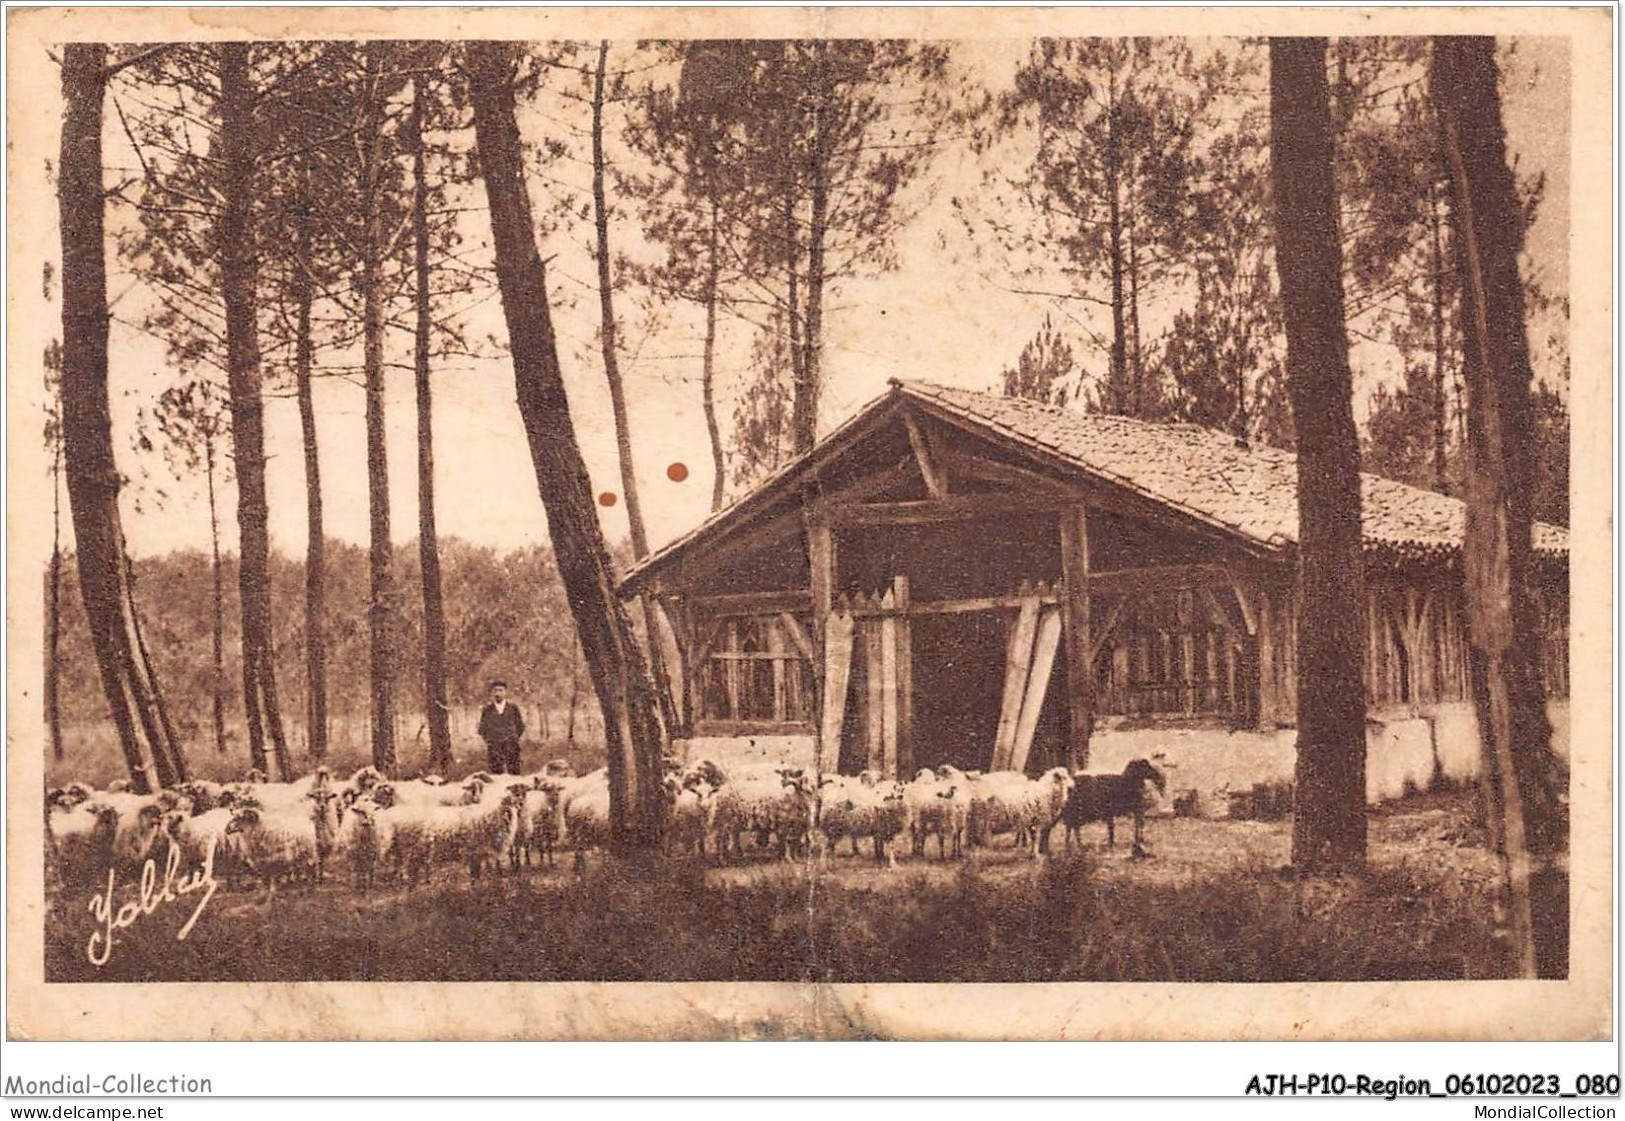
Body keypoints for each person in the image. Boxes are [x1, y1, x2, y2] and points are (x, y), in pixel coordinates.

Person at [477, 680, 525, 775]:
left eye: (500, 690)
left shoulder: (513, 708)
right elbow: (482, 729)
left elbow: (520, 726)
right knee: (496, 774)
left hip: (511, 745)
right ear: (492, 693)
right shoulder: (487, 710)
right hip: (495, 746)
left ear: (505, 692)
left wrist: (513, 737)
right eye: (495, 690)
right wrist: (490, 741)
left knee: (514, 772)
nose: (498, 693)